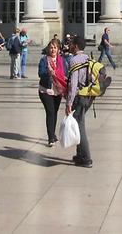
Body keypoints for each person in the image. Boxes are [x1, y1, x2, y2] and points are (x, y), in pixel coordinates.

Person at [65, 35, 93, 167]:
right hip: (87, 96)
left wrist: (69, 103)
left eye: (71, 44)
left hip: (78, 97)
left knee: (80, 127)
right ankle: (79, 155)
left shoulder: (74, 60)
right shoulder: (88, 58)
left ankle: (87, 159)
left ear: (75, 46)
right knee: (78, 124)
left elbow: (73, 83)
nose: (69, 46)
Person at [38, 39, 67, 147]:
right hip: (46, 90)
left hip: (57, 90)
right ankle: (50, 137)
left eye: (55, 47)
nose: (53, 49)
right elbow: (40, 73)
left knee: (54, 112)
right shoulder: (44, 60)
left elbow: (66, 73)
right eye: (51, 47)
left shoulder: (62, 61)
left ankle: (53, 134)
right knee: (50, 112)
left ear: (58, 49)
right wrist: (48, 73)